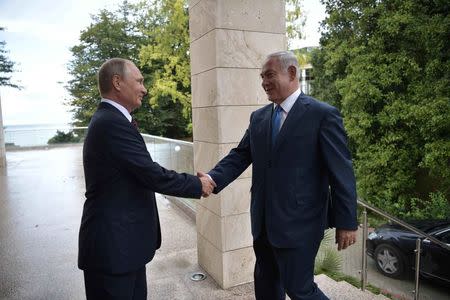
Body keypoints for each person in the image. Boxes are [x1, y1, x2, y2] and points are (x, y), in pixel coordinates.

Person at [198, 51, 358, 300]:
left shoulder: (322, 115)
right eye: (262, 76)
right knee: (266, 287)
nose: (264, 82)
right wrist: (212, 178)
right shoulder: (259, 117)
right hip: (262, 223)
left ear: (292, 73)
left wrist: (347, 221)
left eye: (269, 75)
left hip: (301, 225)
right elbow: (240, 155)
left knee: (300, 289)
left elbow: (342, 171)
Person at [78, 58, 215, 300]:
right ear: (117, 82)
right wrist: (198, 184)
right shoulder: (111, 124)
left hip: (123, 248)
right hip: (113, 251)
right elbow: (151, 174)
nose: (144, 88)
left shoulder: (112, 120)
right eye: (139, 81)